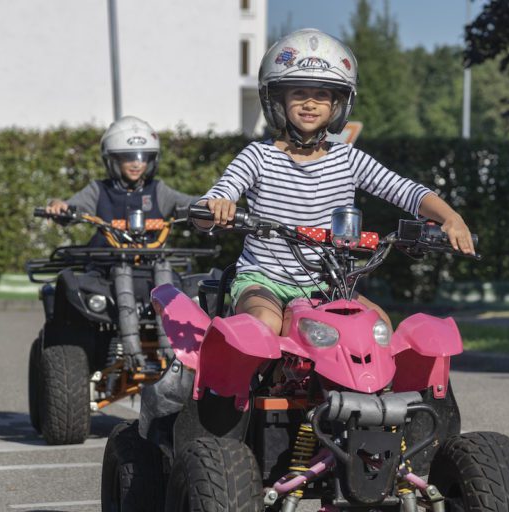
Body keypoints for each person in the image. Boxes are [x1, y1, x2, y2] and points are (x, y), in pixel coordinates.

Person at [197, 28, 475, 335]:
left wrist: (451, 217)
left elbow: (404, 190)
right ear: (277, 100)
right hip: (263, 280)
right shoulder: (258, 156)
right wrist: (217, 205)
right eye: (299, 93)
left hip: (328, 283)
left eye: (322, 95)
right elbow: (222, 192)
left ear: (338, 105)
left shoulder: (348, 159)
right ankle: (238, 384)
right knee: (267, 323)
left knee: (378, 327)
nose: (310, 103)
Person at [46, 115, 198, 246]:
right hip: (106, 264)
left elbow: (189, 202)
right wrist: (58, 206)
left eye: (143, 158)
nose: (137, 164)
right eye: (128, 157)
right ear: (114, 160)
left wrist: (212, 204)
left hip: (150, 261)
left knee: (174, 278)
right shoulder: (99, 190)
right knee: (82, 280)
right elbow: (71, 206)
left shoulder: (157, 190)